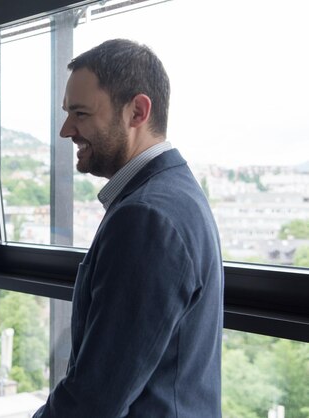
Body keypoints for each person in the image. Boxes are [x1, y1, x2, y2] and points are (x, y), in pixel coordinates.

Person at [33, 39, 223, 417]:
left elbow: (95, 399)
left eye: (81, 113)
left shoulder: (148, 218)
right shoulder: (172, 194)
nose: (66, 129)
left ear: (137, 111)